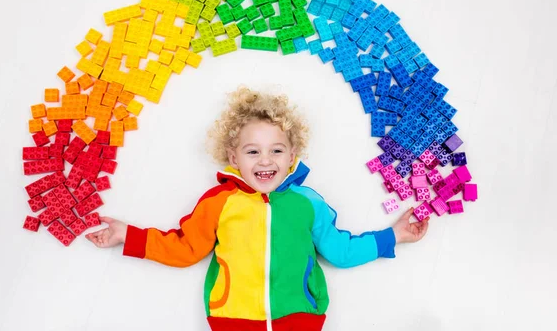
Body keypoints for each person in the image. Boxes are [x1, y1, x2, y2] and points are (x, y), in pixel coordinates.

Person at [86, 86, 429, 331]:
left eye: (276, 151)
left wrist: (393, 236)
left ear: (292, 156)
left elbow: (340, 250)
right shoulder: (220, 203)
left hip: (301, 316)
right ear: (234, 158)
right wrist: (125, 235)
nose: (265, 160)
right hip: (232, 318)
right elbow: (185, 248)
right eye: (253, 152)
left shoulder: (307, 203)